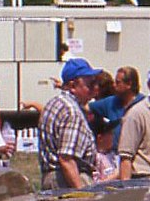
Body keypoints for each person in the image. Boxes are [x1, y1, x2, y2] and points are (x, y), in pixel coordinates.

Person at [38, 58, 102, 189]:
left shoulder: (55, 103)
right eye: (90, 84)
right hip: (67, 181)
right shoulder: (72, 112)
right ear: (73, 86)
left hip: (53, 179)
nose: (95, 88)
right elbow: (66, 159)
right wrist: (82, 194)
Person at [88, 66, 144, 151]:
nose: (114, 85)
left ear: (129, 84)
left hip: (137, 154)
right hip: (114, 155)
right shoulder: (111, 102)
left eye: (118, 82)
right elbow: (87, 107)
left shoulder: (143, 105)